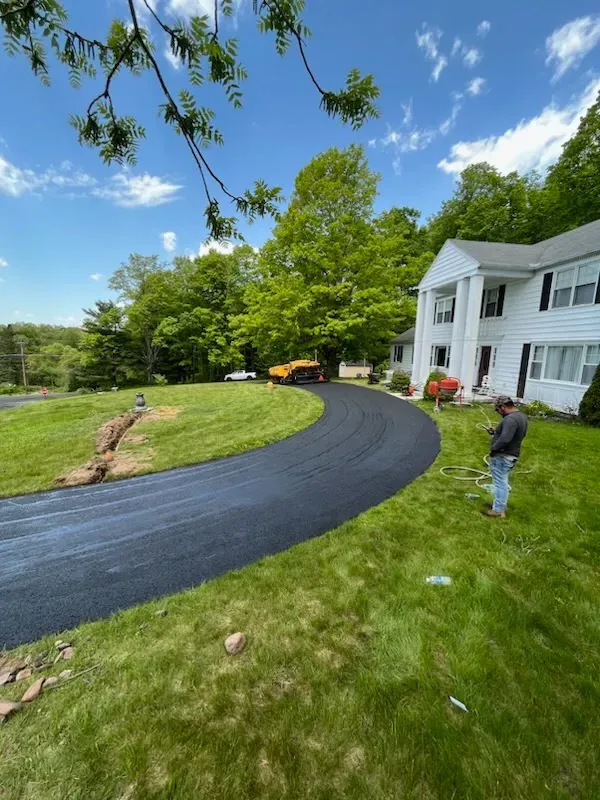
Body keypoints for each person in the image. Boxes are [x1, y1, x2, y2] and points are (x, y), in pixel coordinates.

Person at [482, 396, 528, 519]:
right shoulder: (520, 417)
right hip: (510, 454)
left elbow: (506, 439)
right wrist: (496, 432)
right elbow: (511, 434)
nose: (498, 413)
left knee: (500, 483)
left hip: (503, 455)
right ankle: (499, 505)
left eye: (498, 410)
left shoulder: (510, 419)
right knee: (502, 481)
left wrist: (494, 449)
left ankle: (498, 510)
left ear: (503, 407)